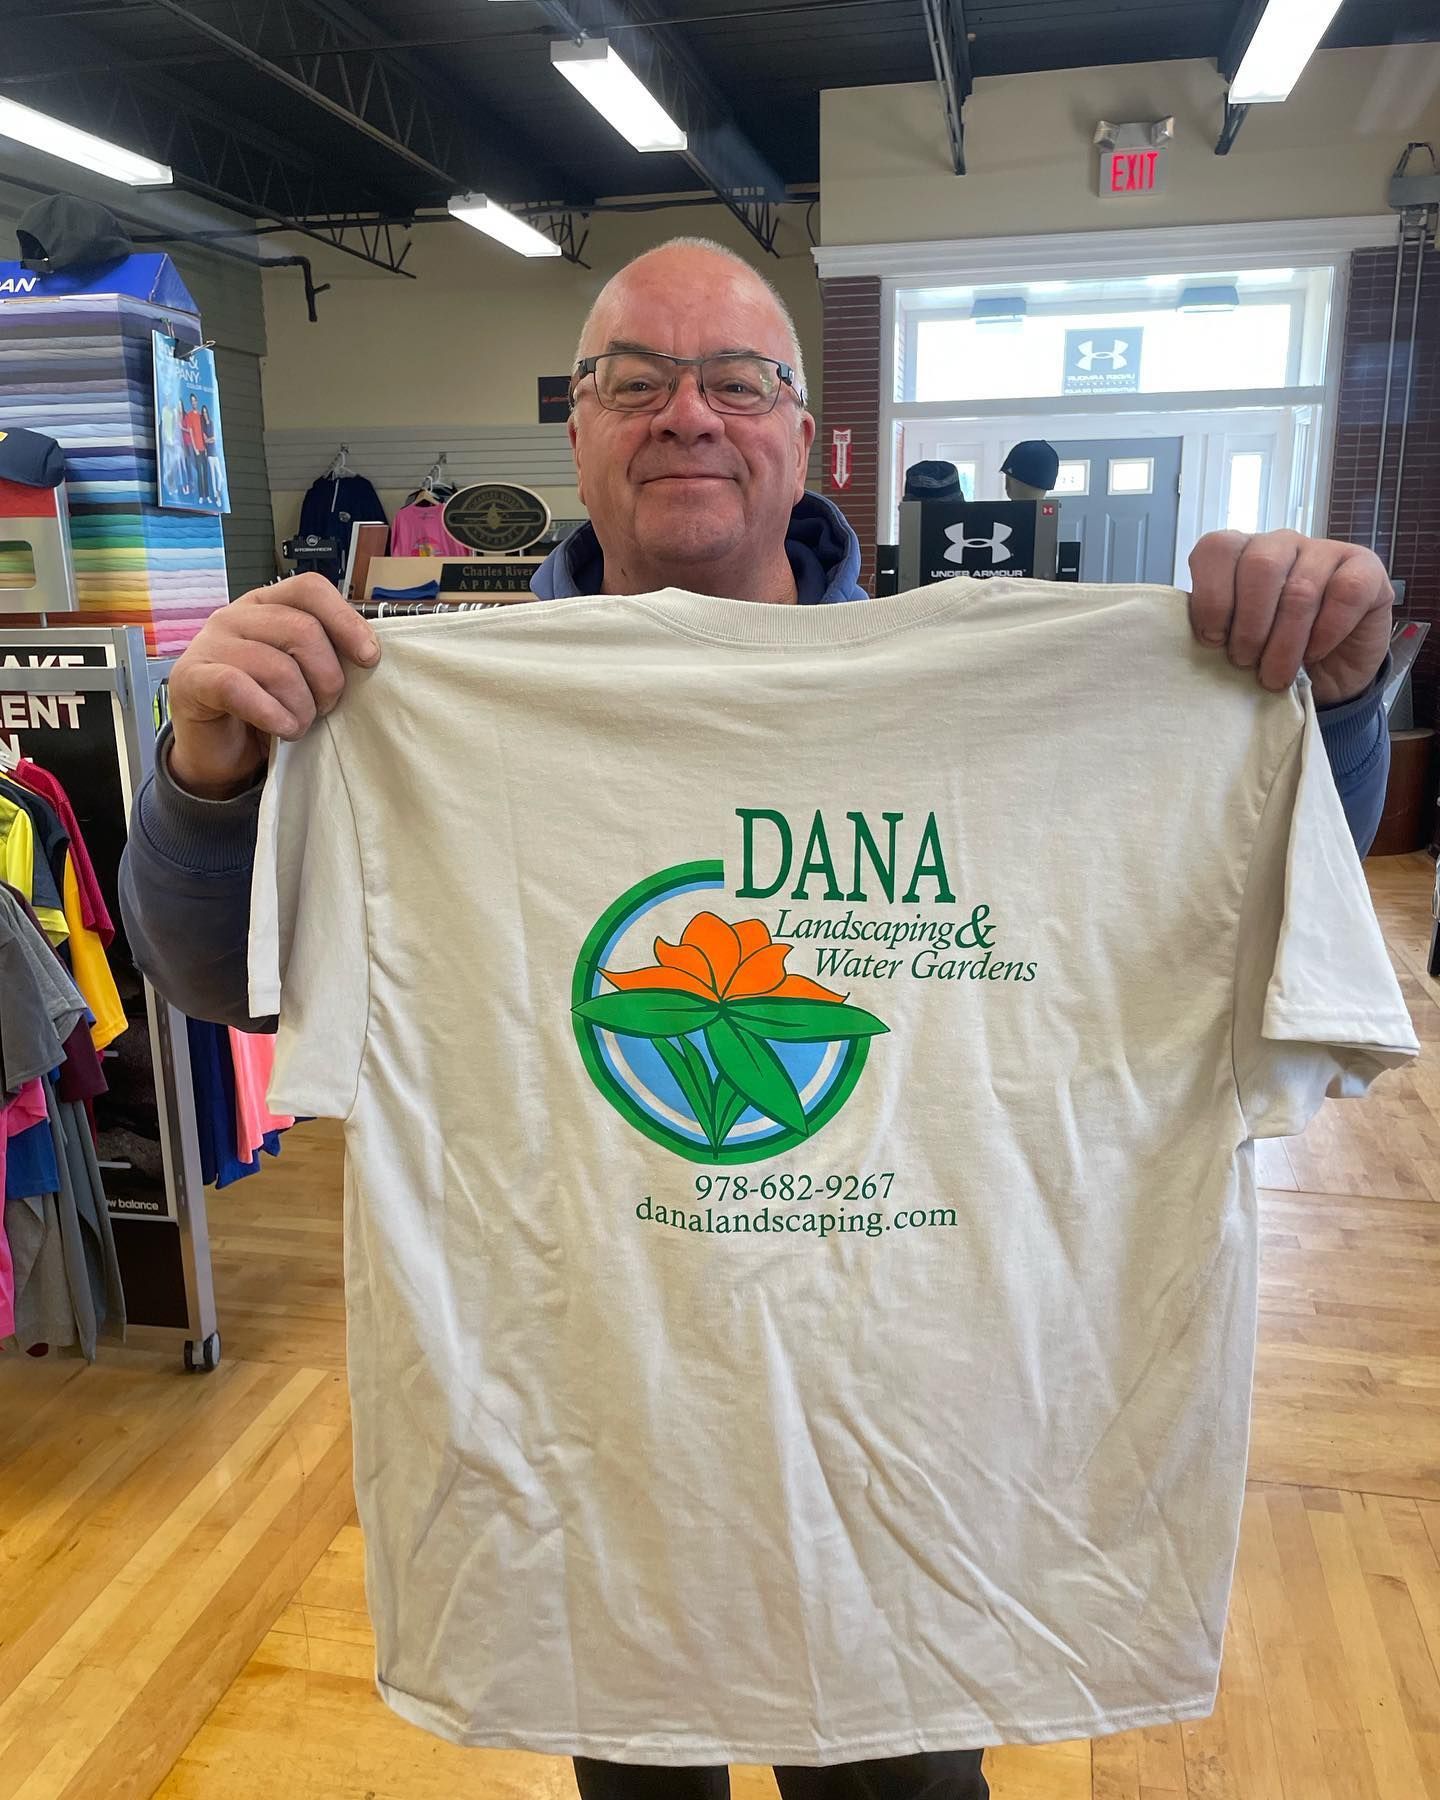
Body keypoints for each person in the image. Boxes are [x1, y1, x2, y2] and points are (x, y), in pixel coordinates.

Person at [118, 236, 1398, 1800]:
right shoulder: (409, 709)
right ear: (577, 426)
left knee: (901, 1788)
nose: (687, 414)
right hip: (590, 1440)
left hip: (921, 1459)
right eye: (634, 382)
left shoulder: (1008, 707)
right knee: (635, 1773)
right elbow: (222, 982)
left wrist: (1325, 707)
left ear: (806, 433)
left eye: (735, 379)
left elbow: (1254, 932)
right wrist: (208, 775)